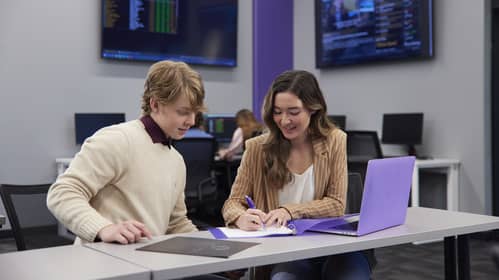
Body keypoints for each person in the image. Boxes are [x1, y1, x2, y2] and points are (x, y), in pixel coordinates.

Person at [222, 70, 372, 280]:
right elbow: (232, 203)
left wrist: (289, 211)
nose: (284, 121)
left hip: (334, 247)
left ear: (313, 108)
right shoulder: (257, 148)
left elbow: (336, 204)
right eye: (277, 112)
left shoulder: (335, 140)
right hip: (286, 252)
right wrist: (240, 217)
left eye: (293, 112)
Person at [47, 60, 205, 245]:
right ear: (155, 104)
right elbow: (62, 193)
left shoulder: (176, 160)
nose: (192, 121)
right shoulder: (118, 140)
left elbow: (176, 224)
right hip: (103, 264)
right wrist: (103, 228)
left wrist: (213, 253)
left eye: (195, 113)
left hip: (148, 264)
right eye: (183, 112)